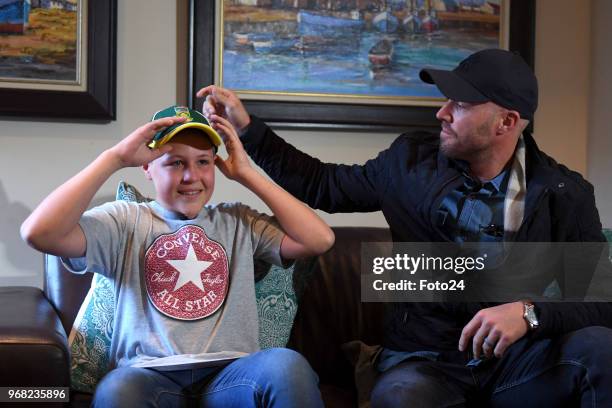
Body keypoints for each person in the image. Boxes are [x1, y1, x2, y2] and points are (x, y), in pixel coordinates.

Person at [198, 49, 612, 407]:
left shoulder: (563, 193)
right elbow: (325, 185)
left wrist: (529, 313)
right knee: (399, 397)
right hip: (425, 361)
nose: (442, 113)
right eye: (447, 99)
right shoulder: (410, 162)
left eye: (462, 104)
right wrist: (250, 131)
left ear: (506, 123)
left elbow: (601, 301)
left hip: (515, 364)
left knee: (599, 348)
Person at [21, 105, 334, 407]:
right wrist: (114, 158)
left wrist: (247, 175)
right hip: (148, 376)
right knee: (116, 388)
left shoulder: (238, 220)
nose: (191, 176)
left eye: (203, 162)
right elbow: (39, 232)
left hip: (232, 377)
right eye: (175, 163)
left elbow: (319, 239)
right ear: (147, 166)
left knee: (286, 365)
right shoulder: (124, 221)